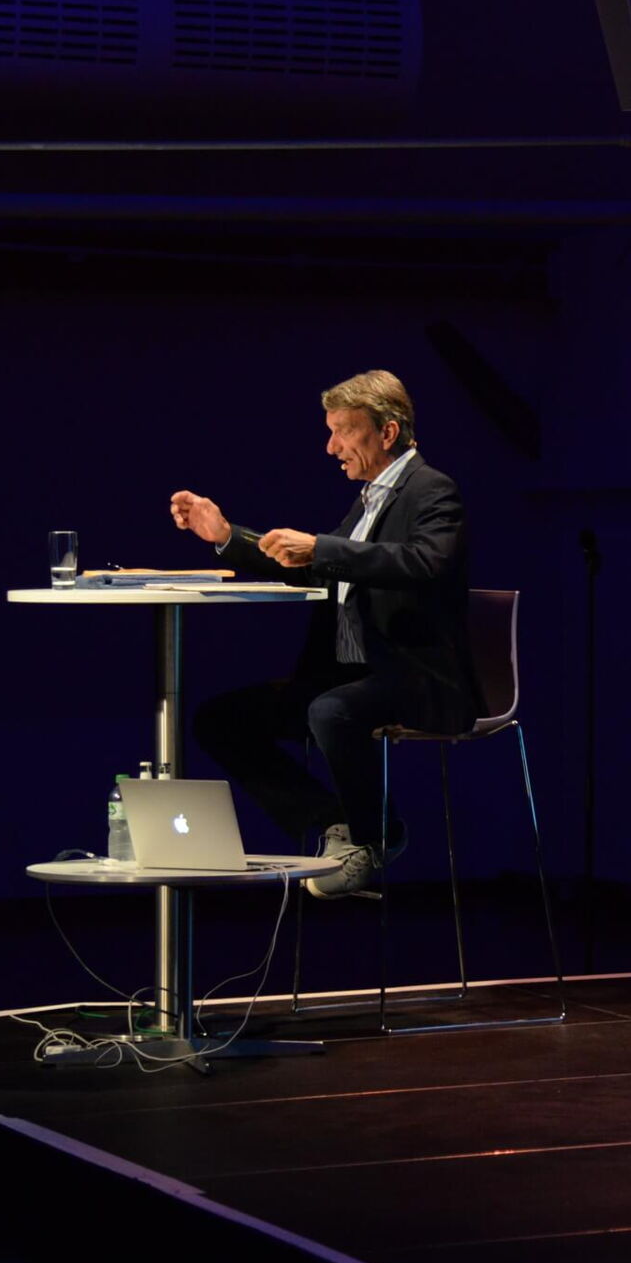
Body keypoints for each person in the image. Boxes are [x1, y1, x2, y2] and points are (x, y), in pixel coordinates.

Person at [169, 369, 479, 898]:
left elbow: (427, 562)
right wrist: (226, 536)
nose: (331, 446)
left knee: (331, 712)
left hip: (417, 676)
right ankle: (338, 822)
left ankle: (374, 838)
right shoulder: (371, 497)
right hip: (352, 675)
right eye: (330, 431)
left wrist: (323, 548)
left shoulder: (431, 489)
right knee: (221, 719)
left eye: (342, 431)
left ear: (387, 432)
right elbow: (316, 566)